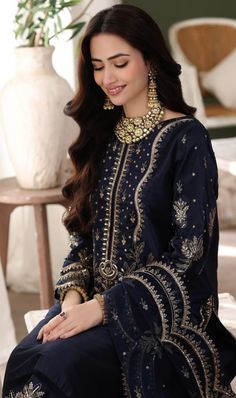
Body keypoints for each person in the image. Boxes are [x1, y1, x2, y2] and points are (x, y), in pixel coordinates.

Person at [3, 4, 236, 398]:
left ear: (149, 60)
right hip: (91, 304)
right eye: (97, 66)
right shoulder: (102, 136)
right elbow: (82, 237)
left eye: (119, 63)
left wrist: (102, 308)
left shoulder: (186, 139)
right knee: (26, 360)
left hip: (165, 317)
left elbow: (188, 254)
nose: (107, 78)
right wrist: (72, 304)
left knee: (59, 369)